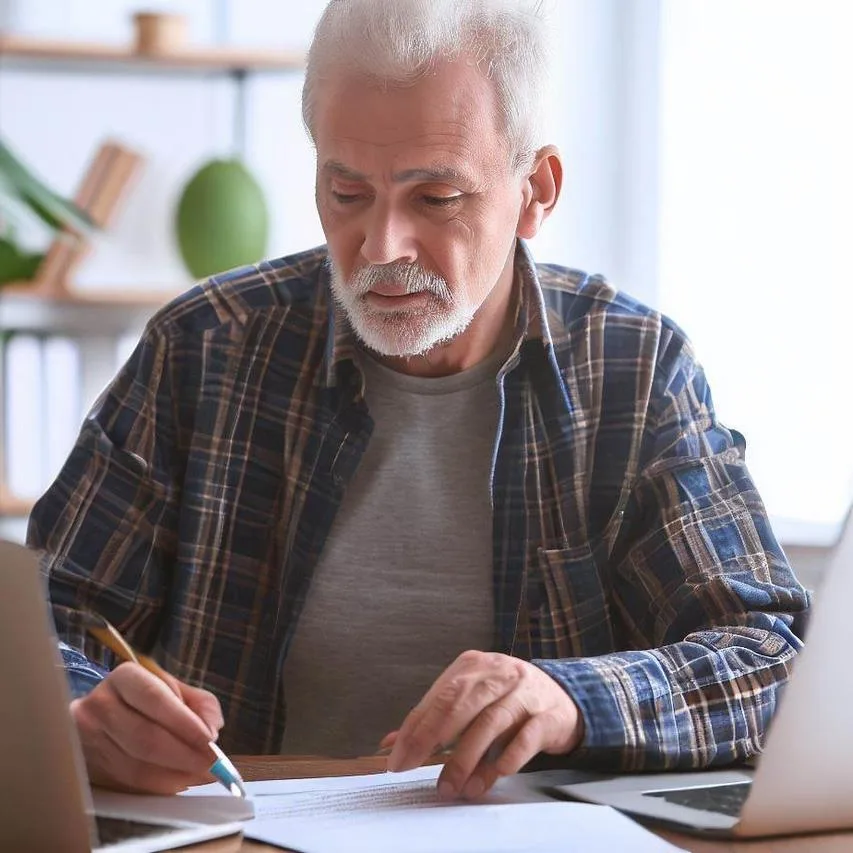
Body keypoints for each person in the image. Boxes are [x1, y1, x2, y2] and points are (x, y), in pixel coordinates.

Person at [29, 0, 808, 801]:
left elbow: (771, 660)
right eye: (346, 192)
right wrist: (80, 708)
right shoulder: (204, 347)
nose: (381, 246)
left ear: (535, 190)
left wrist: (571, 698)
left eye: (435, 198)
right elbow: (41, 622)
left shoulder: (633, 368)